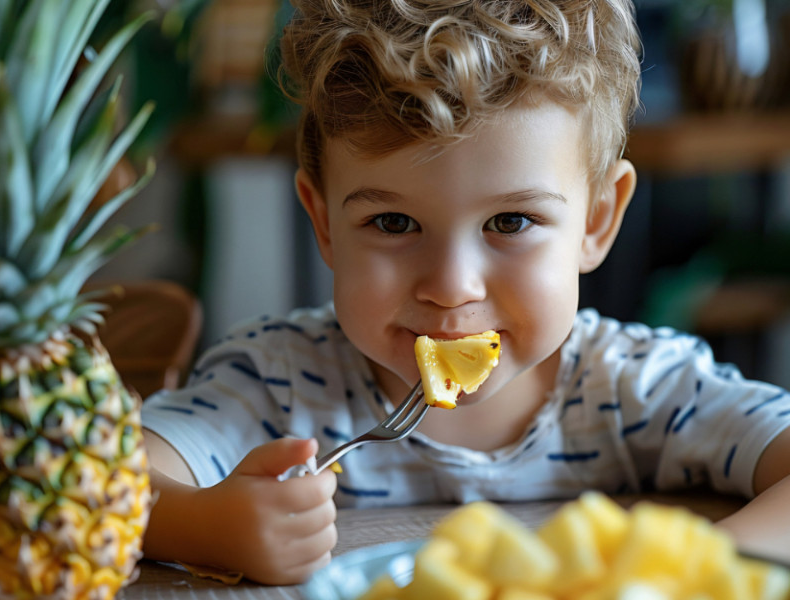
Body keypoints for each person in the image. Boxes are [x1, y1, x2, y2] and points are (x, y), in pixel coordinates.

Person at [139, 0, 790, 585]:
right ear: (325, 224)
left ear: (595, 222)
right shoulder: (277, 385)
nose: (452, 288)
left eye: (511, 223)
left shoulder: (638, 390)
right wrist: (204, 525)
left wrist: (689, 565)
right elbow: (108, 478)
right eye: (393, 223)